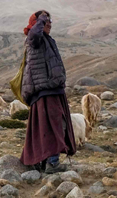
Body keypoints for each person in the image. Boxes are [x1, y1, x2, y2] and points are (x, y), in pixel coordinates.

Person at [18, 10, 76, 173]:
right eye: (45, 21)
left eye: (49, 21)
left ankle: (43, 161)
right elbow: (34, 33)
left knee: (47, 125)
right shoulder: (34, 38)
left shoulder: (46, 40)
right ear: (36, 24)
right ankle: (52, 162)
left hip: (52, 89)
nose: (49, 24)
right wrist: (41, 20)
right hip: (45, 90)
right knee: (54, 124)